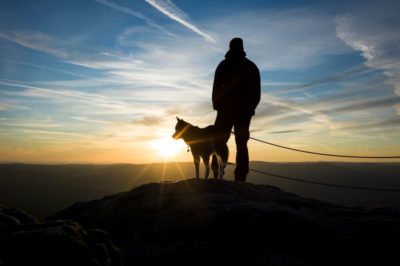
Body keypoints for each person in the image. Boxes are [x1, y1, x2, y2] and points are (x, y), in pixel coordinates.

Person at [212, 37, 261, 182]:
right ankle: (240, 176)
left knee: (219, 141)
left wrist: (217, 105)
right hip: (242, 112)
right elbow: (256, 93)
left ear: (230, 47)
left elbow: (216, 88)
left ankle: (217, 173)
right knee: (241, 144)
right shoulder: (251, 66)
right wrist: (250, 109)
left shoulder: (223, 65)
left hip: (226, 111)